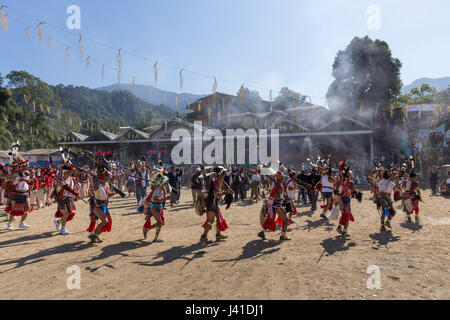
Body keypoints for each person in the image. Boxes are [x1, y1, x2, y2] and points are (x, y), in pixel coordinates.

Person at [258, 171, 291, 241]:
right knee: (285, 220)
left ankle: (262, 232)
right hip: (275, 204)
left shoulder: (277, 184)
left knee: (271, 219)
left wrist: (284, 197)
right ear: (281, 177)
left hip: (270, 202)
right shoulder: (279, 185)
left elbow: (277, 194)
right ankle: (283, 236)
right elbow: (276, 196)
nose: (284, 176)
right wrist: (283, 200)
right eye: (283, 175)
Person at [87, 166, 117, 243]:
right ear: (104, 176)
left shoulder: (105, 184)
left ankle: (96, 235)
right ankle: (93, 235)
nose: (109, 177)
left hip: (103, 206)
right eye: (108, 175)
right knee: (104, 221)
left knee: (106, 222)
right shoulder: (98, 184)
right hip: (96, 206)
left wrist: (114, 193)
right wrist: (92, 190)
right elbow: (91, 191)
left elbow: (106, 195)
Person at [200, 166, 229, 243]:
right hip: (211, 202)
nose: (224, 175)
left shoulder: (215, 180)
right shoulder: (216, 181)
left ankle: (218, 234)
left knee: (218, 219)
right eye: (223, 173)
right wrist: (226, 192)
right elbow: (216, 194)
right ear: (219, 174)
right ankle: (204, 236)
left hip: (212, 202)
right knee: (210, 220)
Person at [142, 171, 171, 242]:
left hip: (160, 206)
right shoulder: (156, 188)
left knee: (159, 223)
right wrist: (165, 198)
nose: (165, 183)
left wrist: (166, 195)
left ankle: (147, 230)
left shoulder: (164, 188)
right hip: (153, 206)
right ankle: (154, 237)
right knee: (160, 222)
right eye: (165, 182)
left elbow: (168, 196)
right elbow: (155, 199)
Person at [53, 162, 79, 235]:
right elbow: (57, 191)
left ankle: (58, 221)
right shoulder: (60, 179)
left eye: (72, 171)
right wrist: (60, 186)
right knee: (66, 213)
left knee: (69, 214)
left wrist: (75, 195)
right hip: (62, 198)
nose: (72, 172)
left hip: (69, 198)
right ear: (66, 171)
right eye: (70, 171)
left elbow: (73, 189)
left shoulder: (72, 179)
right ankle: (63, 229)